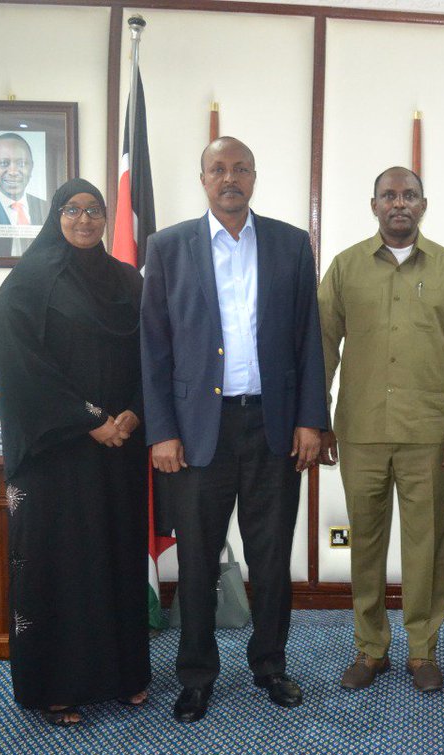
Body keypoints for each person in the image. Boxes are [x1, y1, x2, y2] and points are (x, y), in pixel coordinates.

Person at [141, 137, 327, 723]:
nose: (230, 178)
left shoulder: (291, 245)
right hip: (199, 431)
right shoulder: (168, 248)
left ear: (254, 177)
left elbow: (308, 340)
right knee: (196, 561)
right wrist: (161, 431)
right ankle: (196, 675)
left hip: (272, 426)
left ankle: (269, 664)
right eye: (218, 169)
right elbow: (154, 349)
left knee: (270, 560)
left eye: (240, 168)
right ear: (202, 179)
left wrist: (310, 419)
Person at [0, 178, 150, 726]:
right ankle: (55, 686)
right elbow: (20, 367)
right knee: (63, 568)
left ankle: (125, 674)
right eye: (73, 209)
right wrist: (89, 421)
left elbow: (152, 352)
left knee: (116, 560)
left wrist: (131, 412)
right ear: (56, 215)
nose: (85, 219)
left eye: (95, 210)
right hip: (57, 458)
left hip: (118, 452)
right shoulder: (28, 284)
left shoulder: (128, 279)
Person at [318, 166, 444, 694]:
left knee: (426, 542)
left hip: (429, 435)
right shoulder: (344, 269)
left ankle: (421, 650)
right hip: (361, 431)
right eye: (389, 196)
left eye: (409, 195)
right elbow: (321, 350)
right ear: (374, 205)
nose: (399, 204)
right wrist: (317, 423)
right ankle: (370, 648)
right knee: (363, 542)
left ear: (423, 204)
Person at [0, 134, 48, 257]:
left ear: (31, 167)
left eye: (21, 163)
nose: (13, 172)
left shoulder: (46, 207)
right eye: (4, 163)